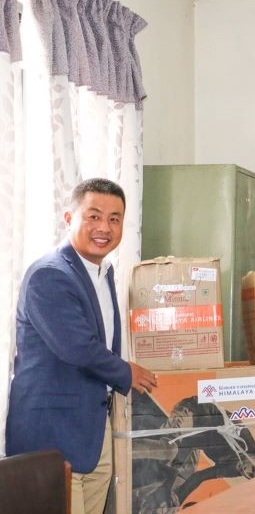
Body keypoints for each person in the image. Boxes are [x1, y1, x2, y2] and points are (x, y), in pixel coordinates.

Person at [6, 178, 158, 514]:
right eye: (94, 216)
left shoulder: (103, 272)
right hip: (52, 437)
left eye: (115, 219)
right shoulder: (50, 275)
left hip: (92, 433)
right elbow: (76, 348)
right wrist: (127, 372)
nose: (104, 228)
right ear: (69, 218)